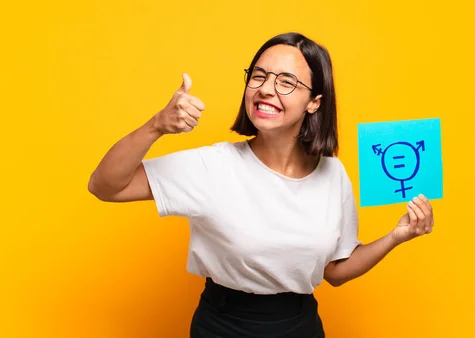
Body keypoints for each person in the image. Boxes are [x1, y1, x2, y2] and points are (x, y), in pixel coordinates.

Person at [88, 32, 434, 338]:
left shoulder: (333, 174)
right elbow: (105, 186)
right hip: (223, 324)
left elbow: (335, 272)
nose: (266, 89)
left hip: (300, 326)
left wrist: (396, 236)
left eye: (286, 82)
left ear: (314, 102)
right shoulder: (213, 165)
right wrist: (156, 125)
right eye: (259, 76)